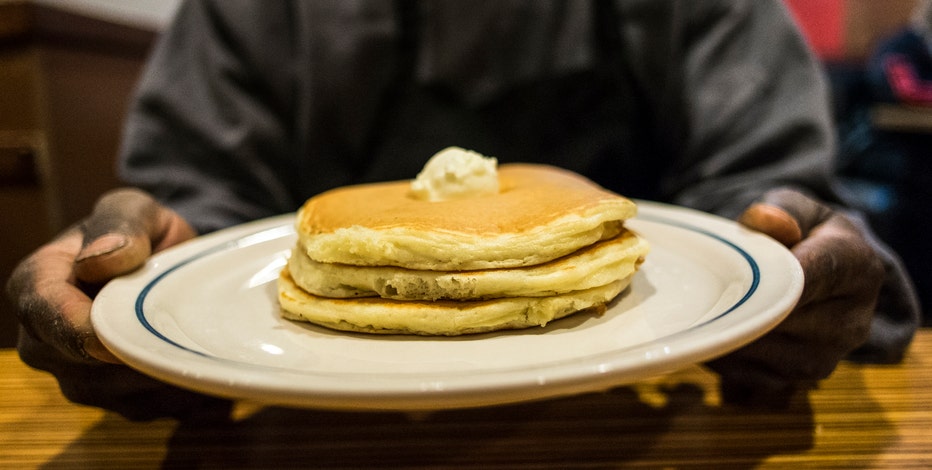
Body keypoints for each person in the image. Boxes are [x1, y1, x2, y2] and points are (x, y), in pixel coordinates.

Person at [6, 0, 921, 420]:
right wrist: (142, 288)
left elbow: (762, 202)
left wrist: (801, 265)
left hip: (642, 423)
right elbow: (204, 220)